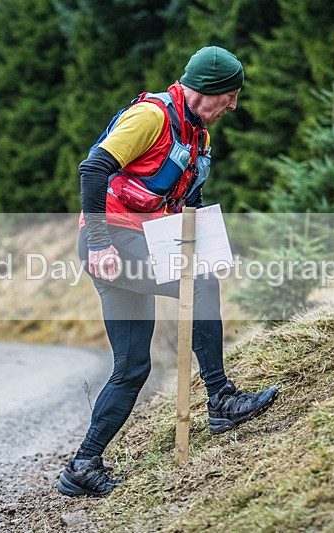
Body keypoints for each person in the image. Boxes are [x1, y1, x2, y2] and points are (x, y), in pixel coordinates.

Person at [57, 46, 278, 498]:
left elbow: (187, 206)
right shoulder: (151, 117)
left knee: (132, 367)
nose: (233, 106)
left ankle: (82, 465)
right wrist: (99, 242)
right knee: (200, 281)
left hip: (143, 241)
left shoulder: (199, 138)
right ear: (207, 91)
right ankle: (221, 397)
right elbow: (93, 169)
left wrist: (209, 246)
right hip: (113, 239)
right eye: (230, 96)